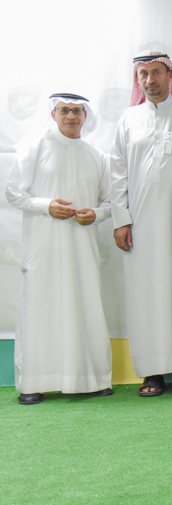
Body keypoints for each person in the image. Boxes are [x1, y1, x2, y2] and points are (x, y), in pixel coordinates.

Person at [109, 51, 172, 397]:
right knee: (146, 295)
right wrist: (121, 220)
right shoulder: (128, 119)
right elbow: (117, 173)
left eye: (156, 72)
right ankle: (152, 372)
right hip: (141, 226)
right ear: (137, 80)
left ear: (170, 75)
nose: (150, 80)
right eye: (144, 74)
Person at [6, 93, 113, 404]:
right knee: (40, 309)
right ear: (53, 114)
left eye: (77, 111)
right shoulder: (35, 146)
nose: (71, 116)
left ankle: (91, 380)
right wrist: (46, 205)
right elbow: (13, 193)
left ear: (85, 115)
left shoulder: (96, 155)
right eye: (64, 110)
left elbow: (110, 202)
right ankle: (34, 383)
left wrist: (97, 214)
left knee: (84, 306)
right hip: (44, 247)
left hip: (82, 248)